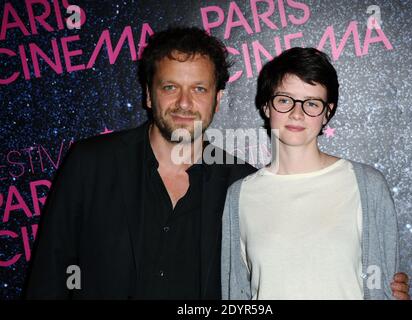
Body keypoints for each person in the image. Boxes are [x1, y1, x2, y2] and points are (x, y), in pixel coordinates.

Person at [25, 26, 256, 299]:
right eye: (170, 87)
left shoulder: (243, 184)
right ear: (148, 94)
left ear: (217, 100)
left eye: (199, 89)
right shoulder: (90, 164)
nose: (184, 103)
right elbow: (49, 277)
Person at [221, 47, 410, 300]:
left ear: (327, 112)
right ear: (267, 106)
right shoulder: (240, 196)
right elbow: (236, 295)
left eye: (311, 103)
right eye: (285, 100)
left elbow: (386, 288)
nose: (297, 113)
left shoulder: (367, 185)